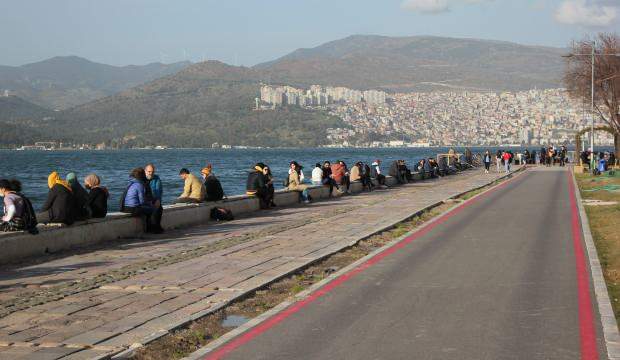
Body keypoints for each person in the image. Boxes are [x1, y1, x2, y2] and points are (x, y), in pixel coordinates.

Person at [121, 167, 156, 232]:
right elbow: (142, 201)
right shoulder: (139, 184)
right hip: (133, 209)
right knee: (151, 209)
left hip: (125, 207)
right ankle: (150, 229)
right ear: (142, 175)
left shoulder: (130, 182)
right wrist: (150, 204)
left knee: (147, 208)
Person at [145, 163, 164, 232]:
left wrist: (158, 200)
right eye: (149, 171)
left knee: (159, 208)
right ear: (145, 171)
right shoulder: (142, 179)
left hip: (153, 199)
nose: (151, 173)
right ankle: (152, 227)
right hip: (145, 200)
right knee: (150, 208)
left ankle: (157, 226)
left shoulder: (156, 178)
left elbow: (158, 190)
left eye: (152, 172)